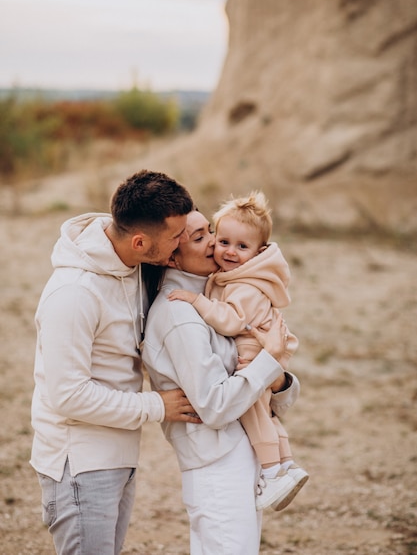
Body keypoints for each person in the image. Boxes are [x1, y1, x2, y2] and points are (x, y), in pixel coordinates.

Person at [30, 169, 201, 555]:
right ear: (140, 241)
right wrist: (158, 405)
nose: (181, 244)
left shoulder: (138, 265)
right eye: (176, 237)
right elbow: (67, 395)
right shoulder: (74, 295)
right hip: (80, 462)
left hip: (118, 450)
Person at [141, 209, 302, 555]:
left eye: (210, 230)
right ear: (171, 256)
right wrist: (269, 361)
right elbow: (214, 406)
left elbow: (257, 386)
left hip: (238, 456)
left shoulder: (219, 300)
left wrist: (277, 378)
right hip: (218, 465)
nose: (215, 242)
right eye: (200, 238)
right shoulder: (180, 314)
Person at [168, 191, 309, 512]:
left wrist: (197, 301)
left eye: (242, 247)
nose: (229, 251)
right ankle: (287, 464)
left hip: (254, 349)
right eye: (224, 241)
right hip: (261, 348)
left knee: (253, 409)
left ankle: (273, 472)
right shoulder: (243, 274)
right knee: (266, 411)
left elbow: (230, 321)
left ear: (259, 251)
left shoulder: (244, 285)